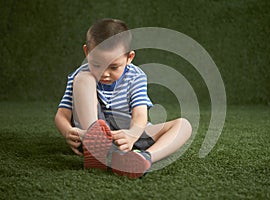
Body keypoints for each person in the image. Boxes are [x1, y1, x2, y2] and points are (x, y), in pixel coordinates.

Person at [55, 18, 192, 178]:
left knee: (184, 125)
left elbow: (140, 115)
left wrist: (132, 134)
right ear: (87, 53)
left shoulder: (136, 77)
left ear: (129, 58)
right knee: (83, 78)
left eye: (113, 67)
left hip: (126, 137)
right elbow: (62, 115)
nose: (104, 74)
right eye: (97, 64)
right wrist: (68, 132)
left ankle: (144, 157)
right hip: (87, 136)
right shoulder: (80, 75)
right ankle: (95, 142)